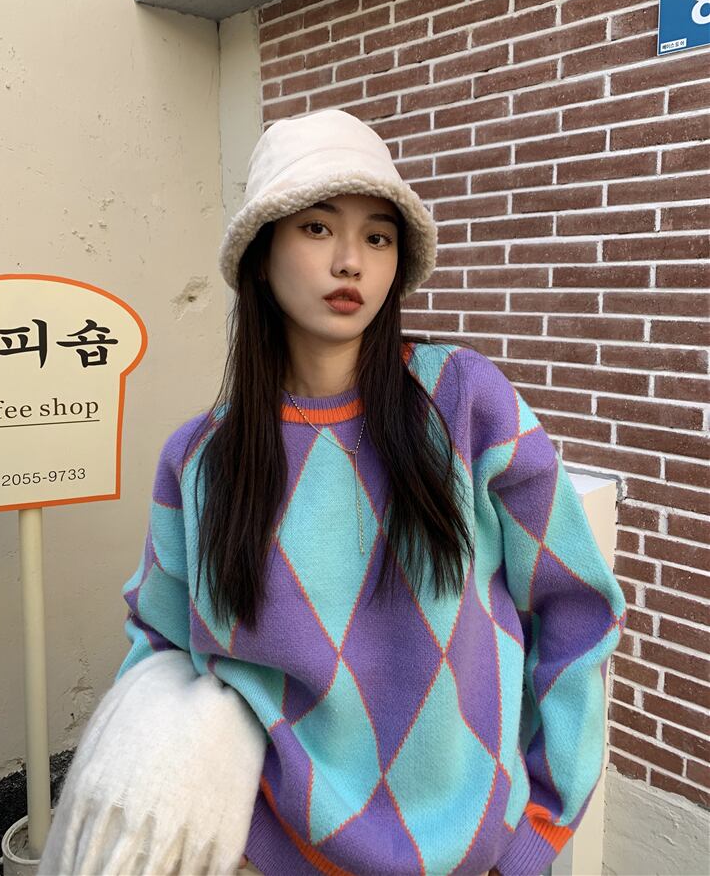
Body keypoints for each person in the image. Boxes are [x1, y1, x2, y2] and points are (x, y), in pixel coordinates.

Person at [115, 108, 627, 876]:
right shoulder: (200, 459)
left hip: (471, 857)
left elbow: (577, 611)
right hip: (262, 852)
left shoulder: (465, 403)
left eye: (378, 237)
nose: (350, 260)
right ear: (260, 255)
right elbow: (158, 651)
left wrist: (538, 830)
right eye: (317, 227)